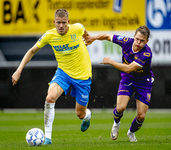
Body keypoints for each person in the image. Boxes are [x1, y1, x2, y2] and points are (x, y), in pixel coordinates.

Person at [12, 8, 92, 145]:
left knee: (80, 114)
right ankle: (47, 138)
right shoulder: (49, 35)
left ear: (68, 22)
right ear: (54, 22)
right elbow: (31, 51)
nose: (61, 26)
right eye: (58, 23)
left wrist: (88, 38)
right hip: (63, 73)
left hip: (82, 75)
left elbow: (85, 33)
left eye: (64, 23)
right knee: (50, 98)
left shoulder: (77, 28)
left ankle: (87, 116)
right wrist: (19, 70)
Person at [84, 25, 154, 142]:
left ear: (147, 41)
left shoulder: (146, 53)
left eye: (142, 41)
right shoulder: (126, 41)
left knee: (141, 116)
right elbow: (107, 36)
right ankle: (116, 124)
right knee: (120, 108)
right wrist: (93, 37)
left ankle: (131, 132)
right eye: (137, 39)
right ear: (134, 36)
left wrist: (111, 61)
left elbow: (128, 68)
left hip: (144, 83)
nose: (138, 43)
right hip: (128, 79)